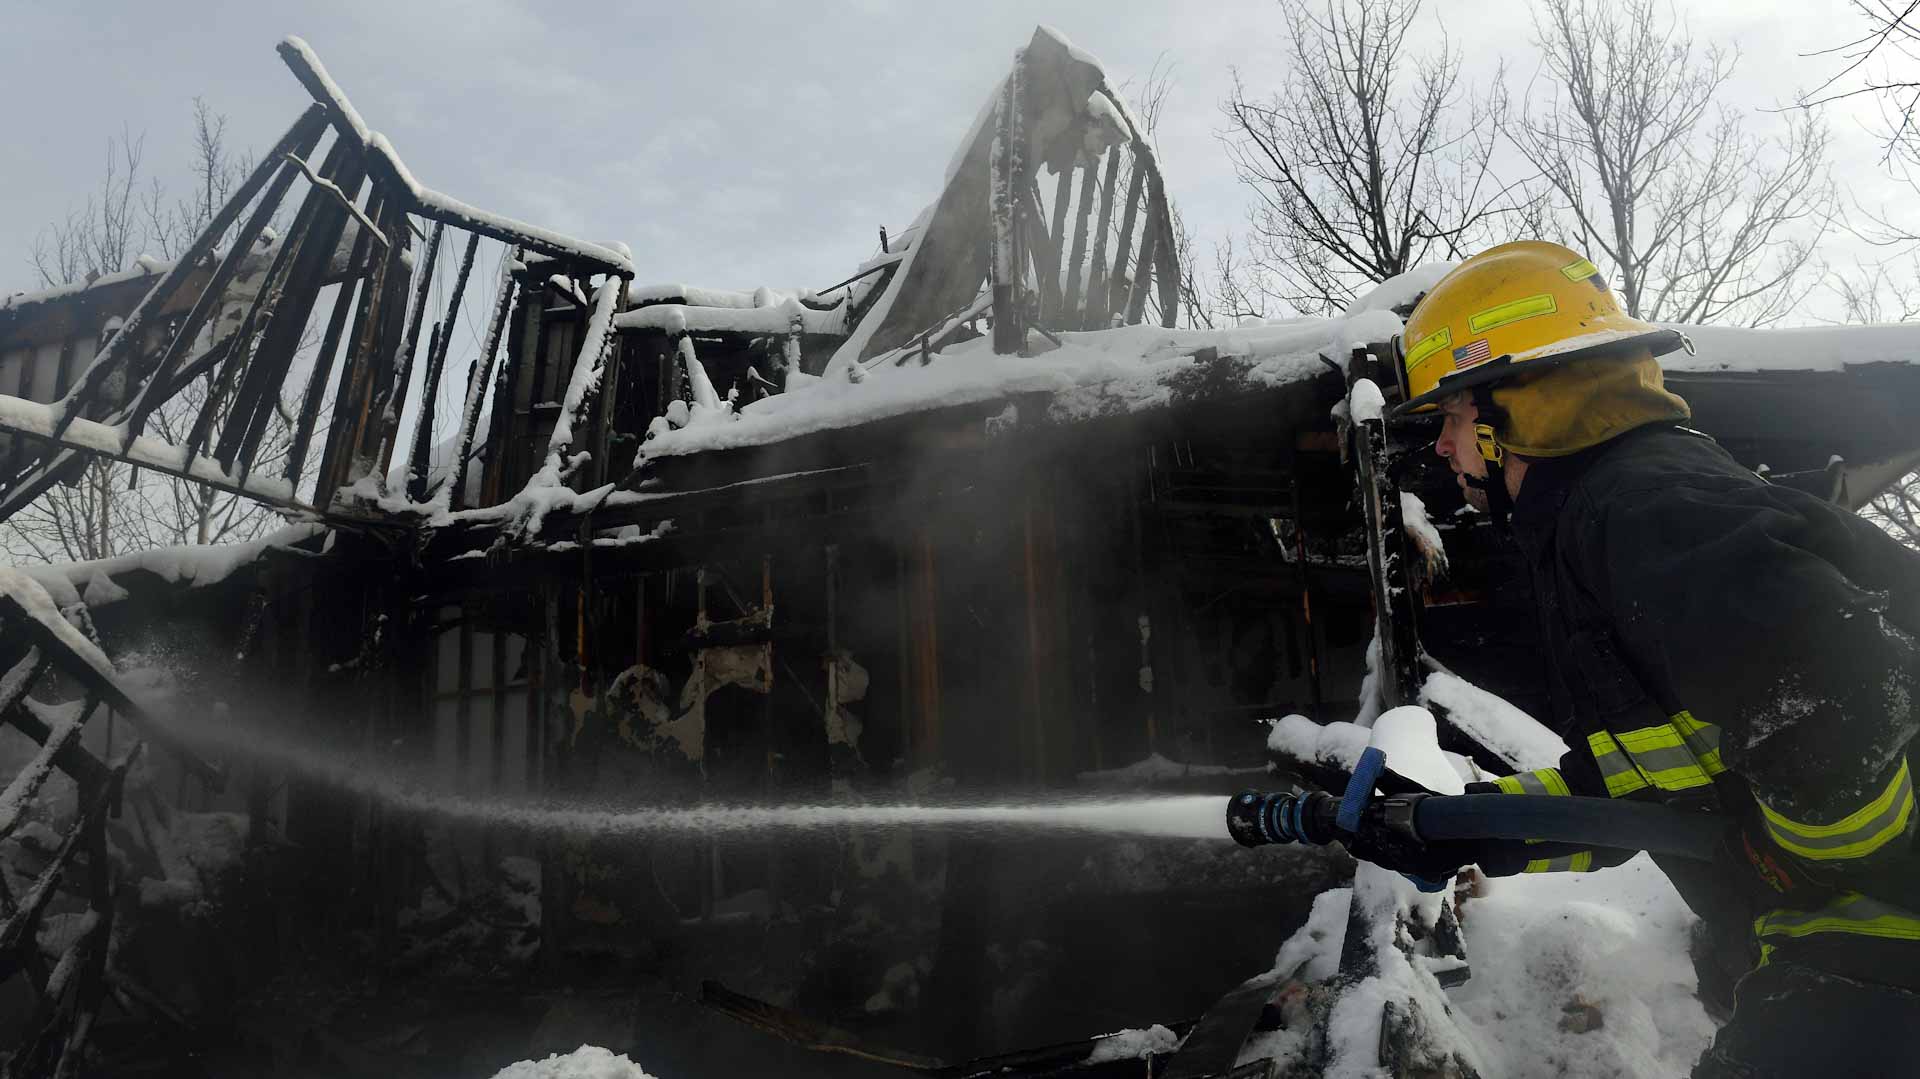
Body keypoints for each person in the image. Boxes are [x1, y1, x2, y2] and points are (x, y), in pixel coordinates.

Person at [1368, 241, 1920, 1077]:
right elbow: (1646, 787)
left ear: (1506, 410)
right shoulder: (1611, 516)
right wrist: (1466, 824)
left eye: (1447, 419)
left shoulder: (1639, 504)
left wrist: (1810, 859)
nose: (1442, 450)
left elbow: (1839, 688)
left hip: (1885, 936)